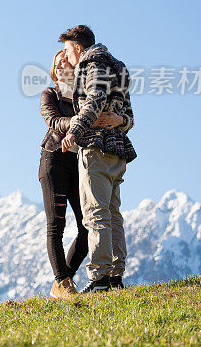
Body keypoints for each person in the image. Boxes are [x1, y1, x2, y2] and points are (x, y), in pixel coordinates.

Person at [39, 49, 123, 298]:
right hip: (54, 160)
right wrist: (84, 120)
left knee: (88, 224)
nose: (63, 63)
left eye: (66, 59)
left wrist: (119, 119)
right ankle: (62, 281)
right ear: (54, 71)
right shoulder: (49, 95)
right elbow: (55, 122)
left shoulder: (84, 94)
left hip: (82, 161)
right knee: (56, 224)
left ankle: (64, 279)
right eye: (58, 62)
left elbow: (111, 108)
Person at [60, 25, 136, 293]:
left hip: (96, 146)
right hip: (119, 150)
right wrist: (121, 121)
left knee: (96, 214)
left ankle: (100, 278)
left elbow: (94, 99)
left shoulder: (92, 63)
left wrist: (74, 131)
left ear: (78, 47)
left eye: (68, 50)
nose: (67, 57)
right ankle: (115, 277)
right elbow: (129, 115)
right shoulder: (119, 66)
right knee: (113, 214)